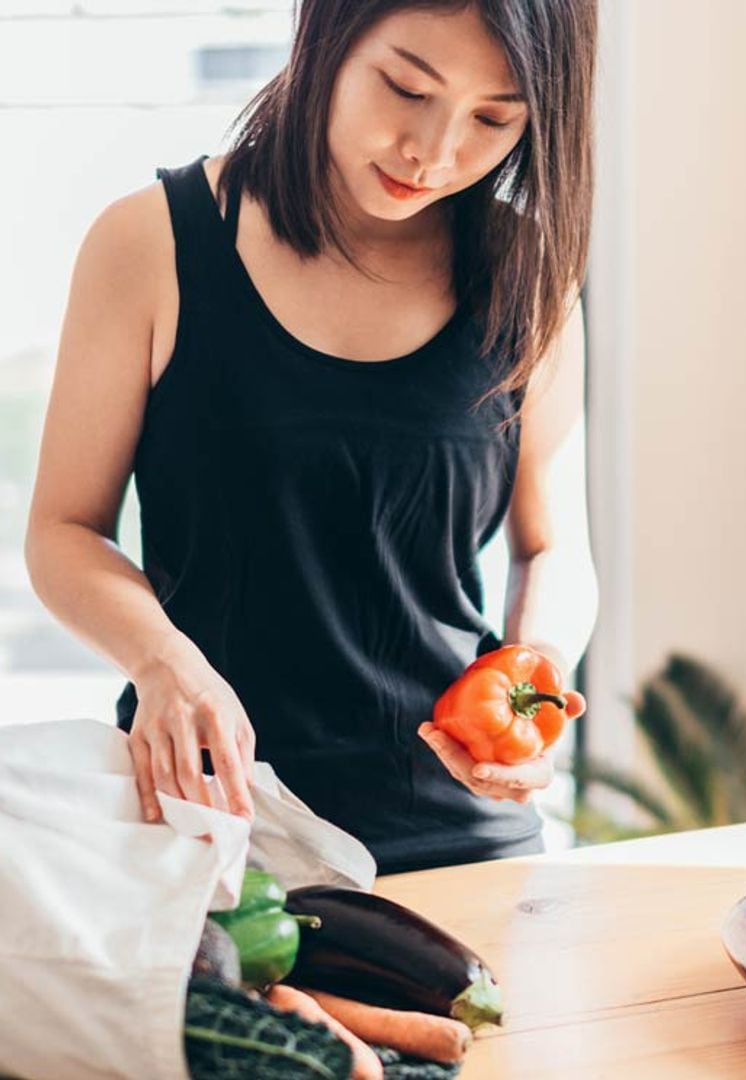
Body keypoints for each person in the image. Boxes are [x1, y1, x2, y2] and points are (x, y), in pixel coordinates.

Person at [23, 0, 599, 876]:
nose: (435, 151)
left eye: (493, 118)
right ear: (327, 35)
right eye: (407, 88)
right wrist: (163, 660)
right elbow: (63, 533)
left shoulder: (531, 280)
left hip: (466, 844)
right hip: (211, 833)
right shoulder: (153, 242)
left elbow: (553, 546)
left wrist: (537, 683)